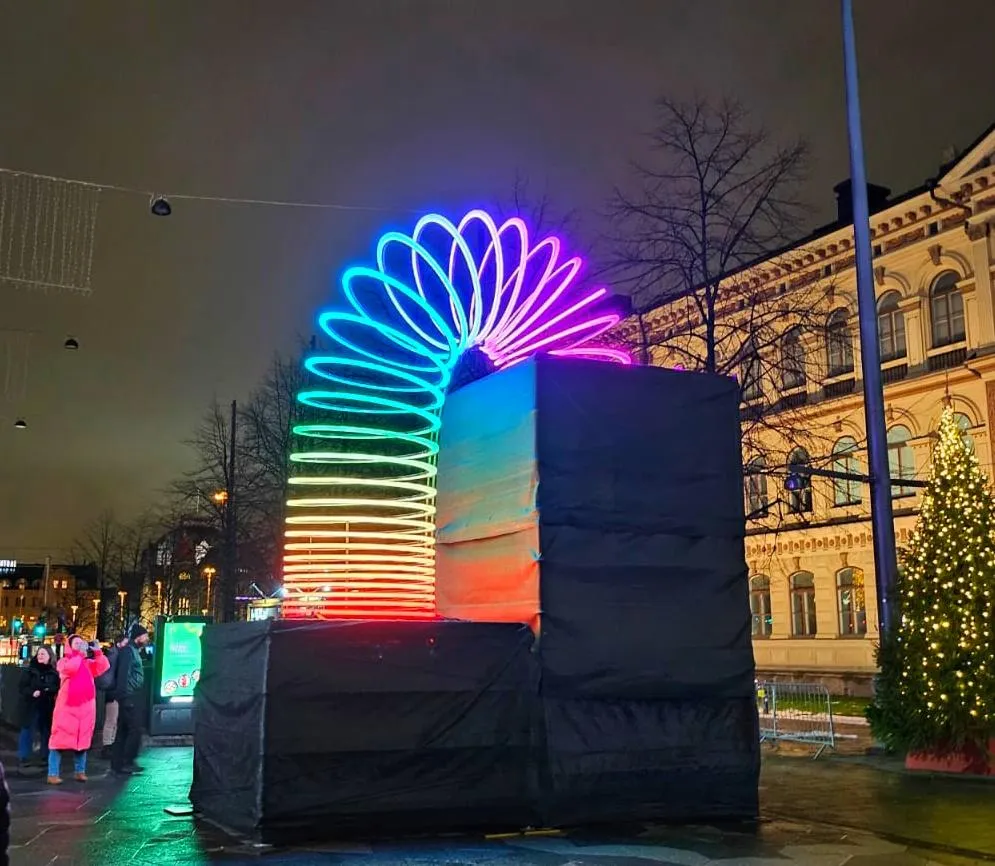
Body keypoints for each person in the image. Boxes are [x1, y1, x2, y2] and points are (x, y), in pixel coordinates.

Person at [47, 635, 110, 785]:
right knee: (58, 741)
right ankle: (52, 773)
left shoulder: (88, 663)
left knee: (82, 740)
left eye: (81, 643)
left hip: (85, 708)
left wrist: (98, 652)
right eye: (76, 643)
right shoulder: (64, 661)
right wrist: (80, 654)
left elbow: (103, 667)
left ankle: (80, 771)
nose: (80, 645)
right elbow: (71, 669)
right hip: (67, 707)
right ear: (69, 646)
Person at [111, 624, 149, 776]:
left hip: (128, 694)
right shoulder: (128, 651)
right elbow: (123, 674)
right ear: (138, 637)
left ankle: (118, 763)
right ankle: (127, 761)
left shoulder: (132, 651)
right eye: (145, 636)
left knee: (124, 729)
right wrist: (124, 696)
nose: (147, 639)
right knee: (135, 728)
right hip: (129, 695)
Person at [16, 646, 60, 771]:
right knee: (27, 730)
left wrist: (46, 690)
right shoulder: (29, 671)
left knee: (46, 731)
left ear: (49, 656)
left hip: (46, 705)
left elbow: (56, 687)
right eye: (39, 654)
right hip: (31, 705)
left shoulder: (53, 672)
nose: (40, 656)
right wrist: (32, 692)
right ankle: (24, 757)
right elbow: (22, 687)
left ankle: (45, 756)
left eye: (43, 654)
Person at [96, 634, 128, 760]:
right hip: (113, 692)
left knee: (113, 720)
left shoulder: (114, 654)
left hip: (113, 692)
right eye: (125, 643)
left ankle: (110, 744)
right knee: (111, 720)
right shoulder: (115, 656)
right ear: (119, 643)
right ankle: (108, 745)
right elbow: (111, 676)